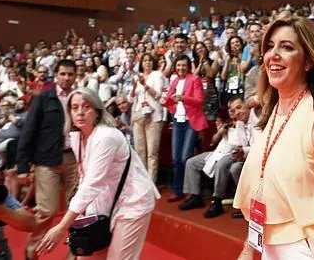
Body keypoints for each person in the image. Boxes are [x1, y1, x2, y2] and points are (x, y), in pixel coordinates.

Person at [234, 17, 314, 260]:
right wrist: (248, 248)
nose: (273, 54)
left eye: (286, 47)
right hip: (271, 246)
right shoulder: (272, 112)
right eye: (270, 46)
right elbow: (263, 190)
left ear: (307, 62)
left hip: (312, 248)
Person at [36, 87, 160, 259]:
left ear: (97, 111)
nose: (80, 112)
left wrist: (62, 226)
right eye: (74, 107)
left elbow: (92, 184)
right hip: (105, 201)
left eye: (86, 107)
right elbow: (85, 178)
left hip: (133, 202)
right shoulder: (77, 137)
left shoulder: (106, 137)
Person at [16, 59, 78, 260]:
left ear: (75, 76)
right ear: (56, 75)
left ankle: (75, 254)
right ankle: (32, 252)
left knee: (77, 211)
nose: (66, 78)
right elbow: (28, 132)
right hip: (46, 161)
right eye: (63, 74)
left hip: (74, 159)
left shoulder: (80, 98)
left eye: (70, 74)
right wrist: (23, 167)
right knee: (47, 212)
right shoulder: (44, 98)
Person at [179, 96, 255, 218]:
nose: (234, 112)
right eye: (232, 110)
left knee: (222, 164)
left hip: (232, 153)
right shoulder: (227, 123)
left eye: (238, 108)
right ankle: (195, 196)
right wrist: (220, 131)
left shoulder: (242, 123)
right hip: (216, 152)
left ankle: (217, 200)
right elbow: (213, 142)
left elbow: (242, 144)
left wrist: (236, 125)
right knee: (191, 162)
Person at [164, 54, 208, 203]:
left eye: (183, 65)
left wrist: (183, 98)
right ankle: (178, 190)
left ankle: (191, 190)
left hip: (191, 122)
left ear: (188, 67)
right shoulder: (175, 80)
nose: (181, 68)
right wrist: (168, 103)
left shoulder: (194, 79)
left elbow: (200, 100)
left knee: (185, 158)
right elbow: (169, 100)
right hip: (178, 121)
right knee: (176, 158)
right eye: (178, 66)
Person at [130, 53, 164, 182]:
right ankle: (142, 183)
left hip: (154, 116)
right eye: (145, 61)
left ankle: (151, 184)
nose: (147, 63)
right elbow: (131, 99)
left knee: (152, 153)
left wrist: (145, 85)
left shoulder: (157, 75)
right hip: (139, 116)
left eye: (150, 60)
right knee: (140, 151)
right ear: (141, 63)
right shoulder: (137, 77)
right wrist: (134, 88)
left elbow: (158, 95)